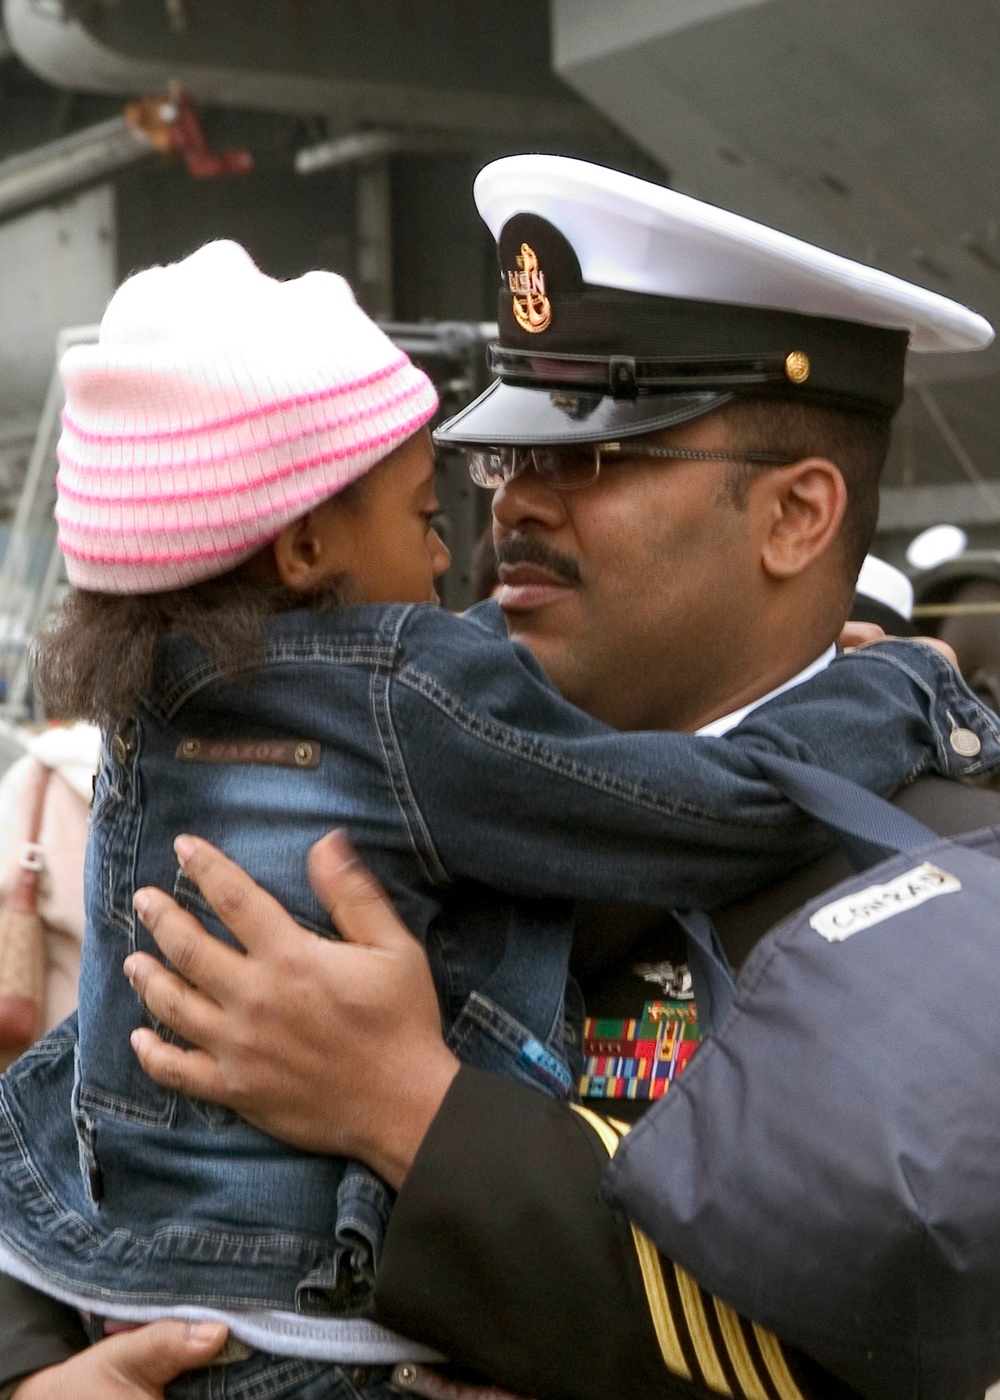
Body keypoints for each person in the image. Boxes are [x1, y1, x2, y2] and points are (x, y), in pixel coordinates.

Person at [3, 155, 998, 1400]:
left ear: (796, 516)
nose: (513, 503)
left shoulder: (947, 878)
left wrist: (411, 1111)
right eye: (504, 454)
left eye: (592, 458)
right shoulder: (361, 740)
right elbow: (77, 1096)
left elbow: (874, 1340)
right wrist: (36, 1371)